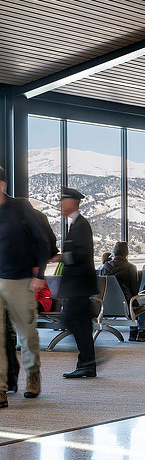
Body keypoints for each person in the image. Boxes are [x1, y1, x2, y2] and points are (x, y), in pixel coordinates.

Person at [0, 166, 53, 404]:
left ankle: (33, 376)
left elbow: (42, 240)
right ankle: (0, 388)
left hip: (20, 280)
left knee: (26, 334)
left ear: (2, 185)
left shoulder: (20, 207)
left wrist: (39, 274)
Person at [59, 187, 99, 378]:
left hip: (79, 285)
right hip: (78, 285)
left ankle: (88, 361)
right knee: (79, 323)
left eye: (63, 201)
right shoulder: (75, 224)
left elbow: (81, 254)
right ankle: (87, 363)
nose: (60, 204)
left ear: (72, 203)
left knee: (73, 321)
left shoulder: (81, 225)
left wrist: (60, 257)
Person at [99, 242, 145, 342]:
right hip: (126, 304)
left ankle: (135, 332)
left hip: (106, 305)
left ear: (113, 254)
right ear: (126, 254)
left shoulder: (104, 267)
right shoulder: (130, 267)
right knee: (142, 299)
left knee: (134, 302)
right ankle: (141, 332)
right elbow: (134, 291)